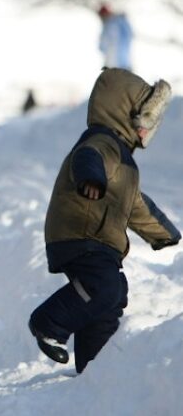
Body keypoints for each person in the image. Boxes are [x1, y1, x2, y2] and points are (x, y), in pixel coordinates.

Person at [28, 68, 178, 374]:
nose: (147, 129)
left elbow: (135, 204)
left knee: (113, 294)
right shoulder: (101, 143)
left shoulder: (125, 163)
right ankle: (48, 323)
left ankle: (93, 363)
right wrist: (91, 179)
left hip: (99, 241)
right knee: (104, 287)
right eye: (145, 119)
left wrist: (165, 234)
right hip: (80, 233)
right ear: (126, 113)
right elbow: (87, 158)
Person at [98, 4, 133, 70]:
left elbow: (106, 44)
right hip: (119, 64)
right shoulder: (113, 23)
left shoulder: (114, 24)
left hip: (118, 64)